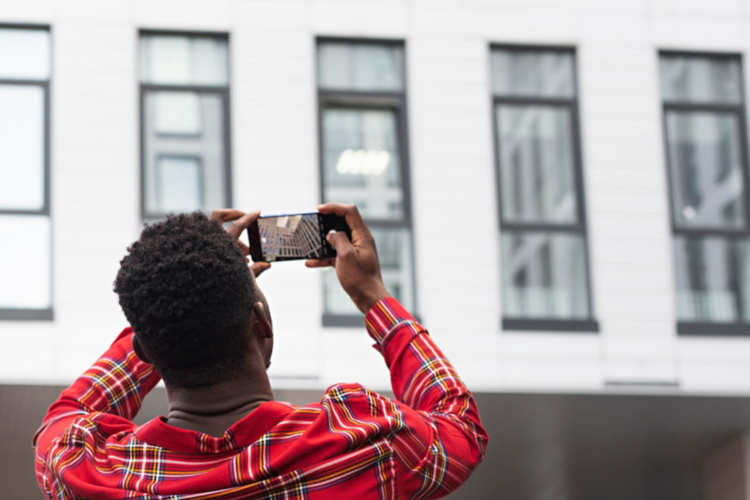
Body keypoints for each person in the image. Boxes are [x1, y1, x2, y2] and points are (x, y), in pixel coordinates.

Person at [33, 203, 488, 499]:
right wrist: (372, 295)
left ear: (144, 349)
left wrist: (159, 311)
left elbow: (61, 420)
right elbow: (460, 430)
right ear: (262, 327)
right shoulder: (358, 444)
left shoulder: (91, 473)